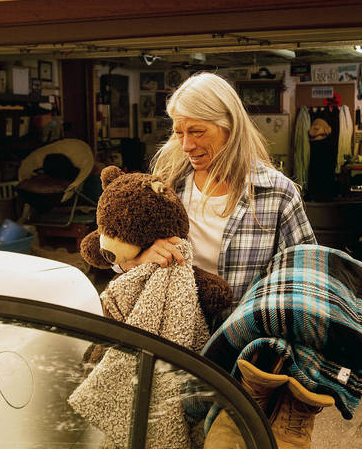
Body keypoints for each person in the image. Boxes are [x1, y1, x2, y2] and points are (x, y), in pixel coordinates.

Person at [118, 71, 316, 308]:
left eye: (197, 131)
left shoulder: (276, 193)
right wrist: (138, 258)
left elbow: (308, 278)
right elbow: (111, 252)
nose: (186, 145)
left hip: (245, 339)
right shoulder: (166, 186)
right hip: (173, 335)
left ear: (229, 126)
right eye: (179, 133)